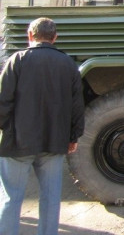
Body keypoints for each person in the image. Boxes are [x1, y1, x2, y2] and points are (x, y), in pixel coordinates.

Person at [0, 17, 84, 235]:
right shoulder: (68, 64)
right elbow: (77, 105)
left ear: (30, 35)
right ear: (55, 37)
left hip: (18, 142)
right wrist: (73, 136)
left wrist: (5, 130)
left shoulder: (17, 60)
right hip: (54, 142)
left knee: (11, 198)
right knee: (51, 199)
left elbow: (3, 102)